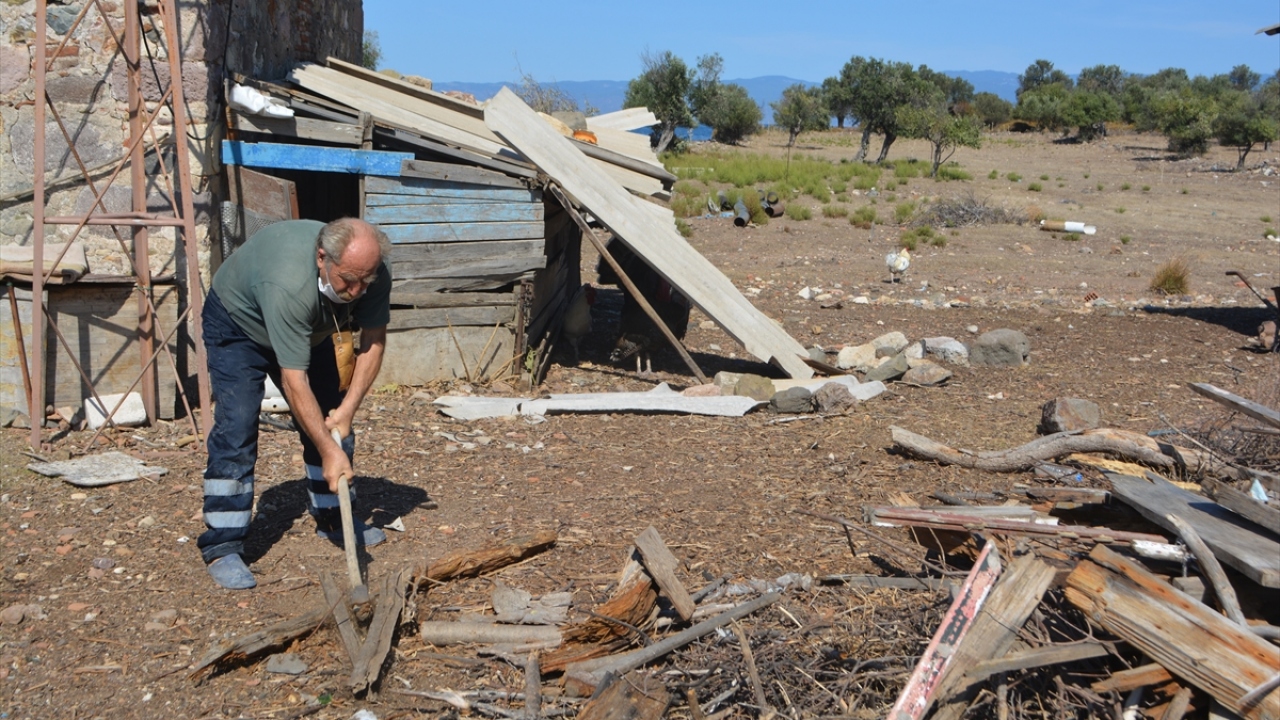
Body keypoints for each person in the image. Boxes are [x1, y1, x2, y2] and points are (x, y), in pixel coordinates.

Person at [198, 217, 393, 589]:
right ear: (323, 258)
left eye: (364, 281)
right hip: (239, 324)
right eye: (347, 280)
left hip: (313, 329)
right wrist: (327, 448)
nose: (356, 291)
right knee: (237, 426)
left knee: (333, 421)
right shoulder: (290, 283)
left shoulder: (372, 273)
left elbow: (373, 340)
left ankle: (336, 518)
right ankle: (223, 543)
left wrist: (347, 410)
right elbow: (293, 380)